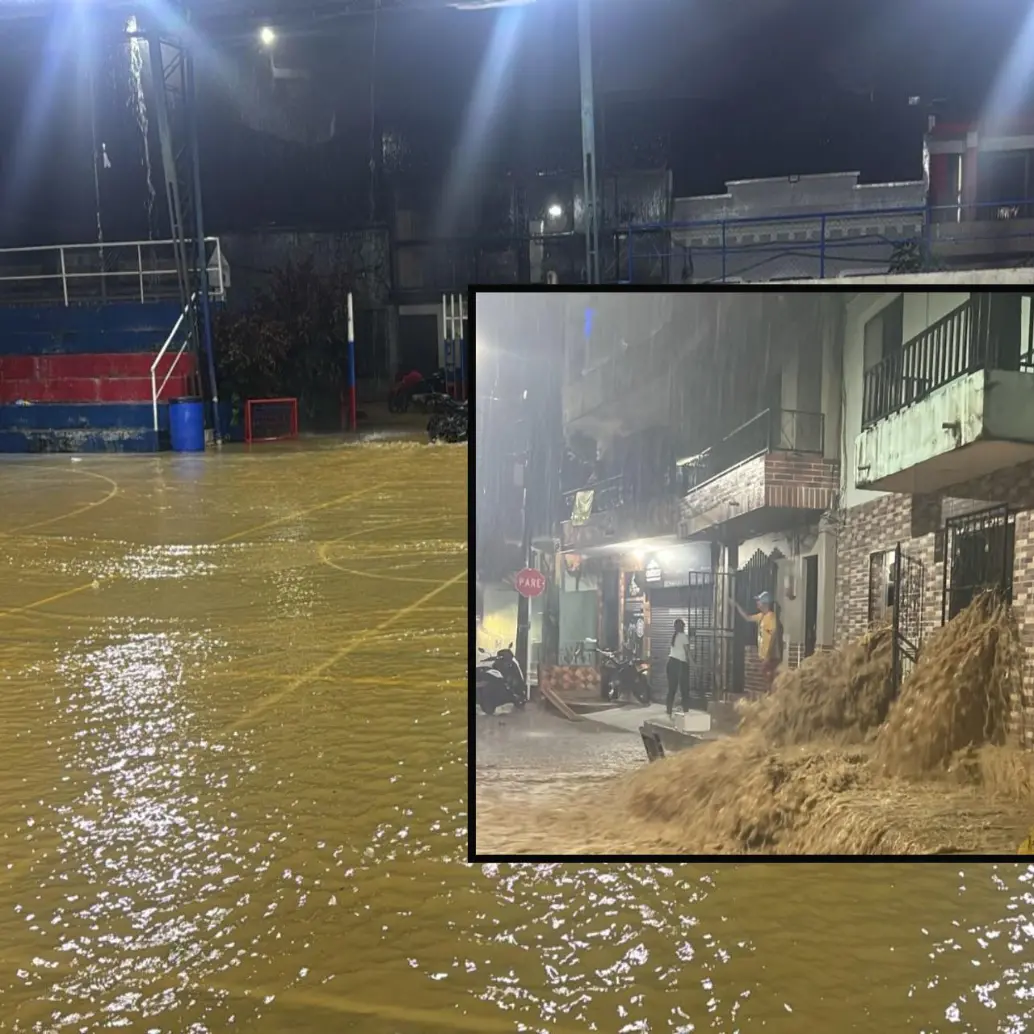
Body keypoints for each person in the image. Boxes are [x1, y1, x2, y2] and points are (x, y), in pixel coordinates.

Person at [734, 591, 780, 691]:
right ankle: (770, 696)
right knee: (767, 676)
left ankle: (772, 696)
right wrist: (737, 606)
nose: (757, 603)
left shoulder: (771, 617)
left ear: (764, 603)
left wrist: (768, 654)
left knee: (768, 676)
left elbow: (773, 635)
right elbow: (747, 618)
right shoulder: (761, 616)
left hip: (769, 655)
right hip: (764, 655)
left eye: (758, 601)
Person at [666, 618, 691, 718]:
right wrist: (693, 663)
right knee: (684, 689)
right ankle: (686, 711)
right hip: (680, 665)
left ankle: (668, 711)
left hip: (671, 663)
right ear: (682, 627)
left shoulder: (674, 636)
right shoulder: (683, 636)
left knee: (672, 689)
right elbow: (687, 652)